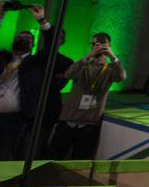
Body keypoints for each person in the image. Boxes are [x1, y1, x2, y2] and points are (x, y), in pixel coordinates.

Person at [0, 2, 62, 167]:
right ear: (14, 40)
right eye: (21, 37)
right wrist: (0, 16)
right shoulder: (1, 58)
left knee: (3, 162)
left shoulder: (34, 63)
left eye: (29, 38)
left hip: (13, 121)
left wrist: (42, 20)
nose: (24, 39)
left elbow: (52, 46)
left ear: (33, 45)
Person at [47, 32, 126, 160]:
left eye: (102, 44)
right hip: (69, 120)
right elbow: (69, 74)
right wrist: (88, 56)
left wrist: (112, 56)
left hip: (89, 123)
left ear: (109, 46)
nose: (98, 47)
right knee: (52, 158)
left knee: (79, 163)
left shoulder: (110, 68)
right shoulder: (83, 65)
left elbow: (121, 77)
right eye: (95, 44)